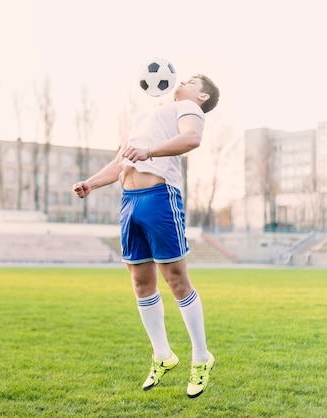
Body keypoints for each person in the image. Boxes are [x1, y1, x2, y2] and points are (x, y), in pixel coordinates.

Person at [72, 74, 220, 398]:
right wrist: (91, 183)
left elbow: (192, 140)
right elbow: (119, 162)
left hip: (159, 198)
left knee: (176, 280)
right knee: (140, 282)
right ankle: (163, 356)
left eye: (195, 80)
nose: (187, 78)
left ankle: (201, 357)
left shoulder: (188, 108)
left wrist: (149, 150)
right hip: (129, 202)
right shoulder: (143, 116)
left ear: (203, 97)